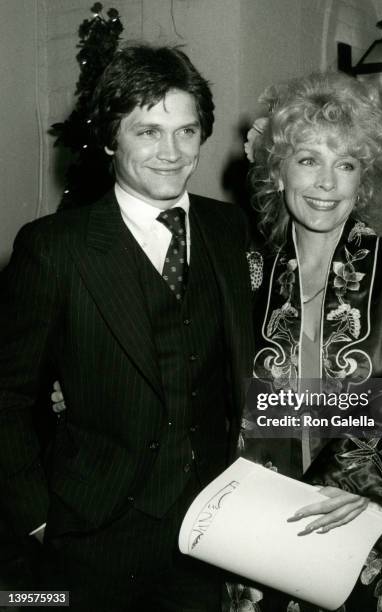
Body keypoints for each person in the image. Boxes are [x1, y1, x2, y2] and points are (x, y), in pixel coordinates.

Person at [0, 44, 254, 612]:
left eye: (186, 132)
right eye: (148, 132)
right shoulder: (54, 248)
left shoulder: (231, 230)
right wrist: (38, 518)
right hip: (90, 538)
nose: (171, 152)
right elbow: (7, 397)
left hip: (212, 535)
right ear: (111, 138)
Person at [231, 71, 382, 611]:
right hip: (253, 541)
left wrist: (357, 476)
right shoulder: (244, 279)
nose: (326, 183)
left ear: (361, 182)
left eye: (345, 165)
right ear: (278, 173)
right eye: (308, 160)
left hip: (366, 536)